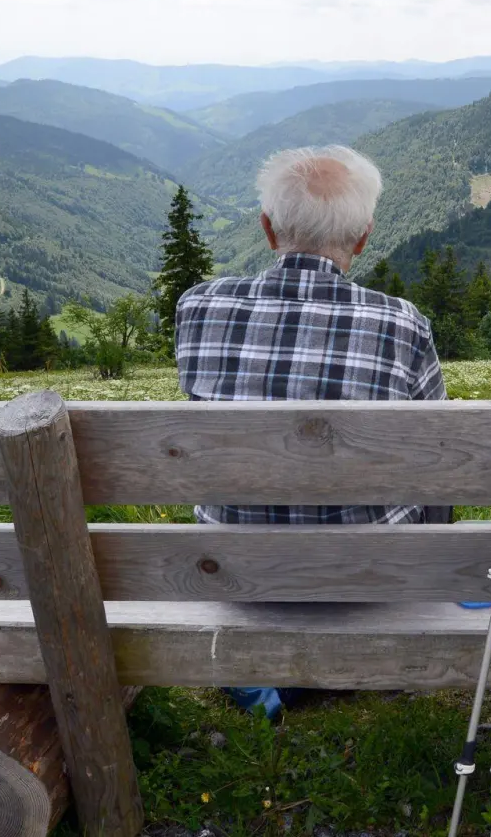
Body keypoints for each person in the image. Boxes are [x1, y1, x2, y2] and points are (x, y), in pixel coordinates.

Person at [174, 145, 446, 716]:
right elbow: (436, 459)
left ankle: (272, 676)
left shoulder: (197, 308)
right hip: (363, 577)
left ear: (268, 230)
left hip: (234, 572)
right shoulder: (401, 323)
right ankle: (335, 667)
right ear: (364, 237)